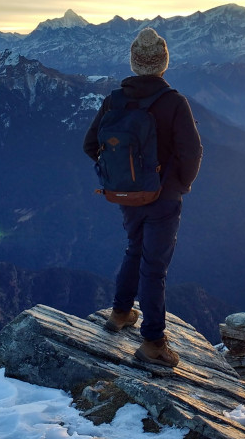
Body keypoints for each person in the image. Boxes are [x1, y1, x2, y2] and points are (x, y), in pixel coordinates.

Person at [83, 27, 203, 367]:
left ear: (134, 64)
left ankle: (120, 313)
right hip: (163, 197)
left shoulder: (114, 100)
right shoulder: (174, 103)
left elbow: (90, 145)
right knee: (155, 268)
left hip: (126, 194)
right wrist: (180, 184)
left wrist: (118, 174)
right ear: (164, 63)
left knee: (134, 248)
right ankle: (152, 343)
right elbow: (192, 153)